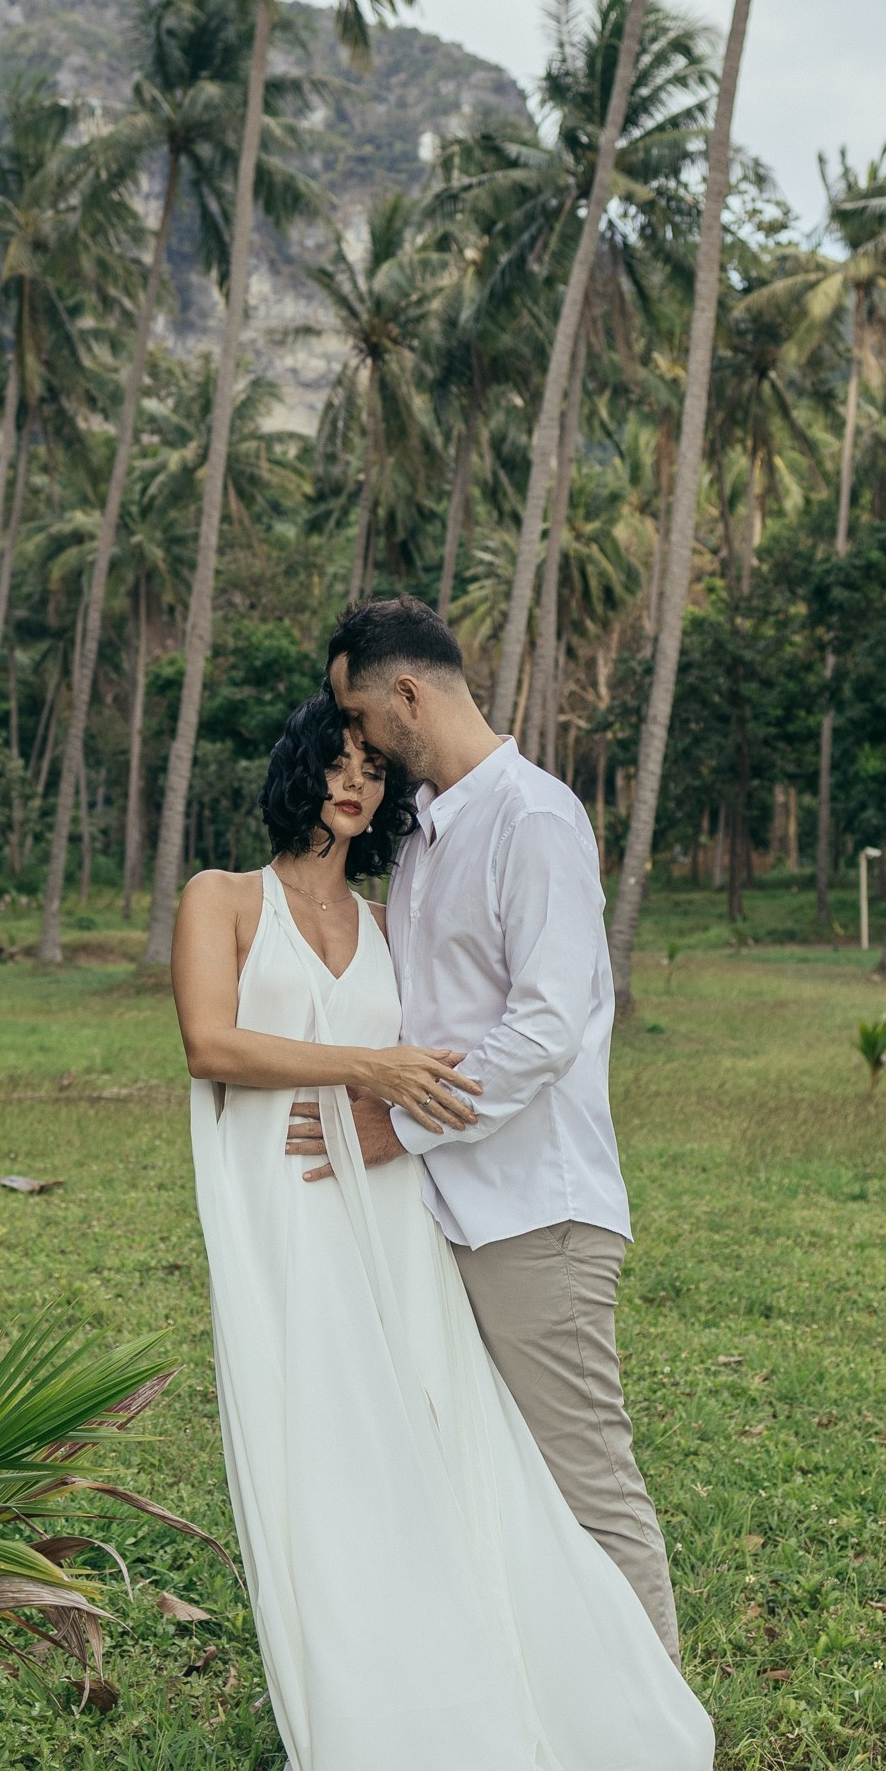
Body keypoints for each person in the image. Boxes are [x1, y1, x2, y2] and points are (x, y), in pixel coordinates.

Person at [172, 688, 712, 1771]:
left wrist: (391, 1103)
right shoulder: (218, 900)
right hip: (279, 1226)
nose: (352, 784)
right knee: (316, 1477)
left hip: (397, 1223)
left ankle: (554, 1718)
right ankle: (359, 1748)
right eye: (335, 760)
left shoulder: (387, 917)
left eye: (372, 768)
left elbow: (507, 1033)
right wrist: (370, 1066)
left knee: (445, 1468)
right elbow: (211, 1045)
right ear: (296, 769)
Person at [288, 597, 682, 1659]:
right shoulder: (425, 840)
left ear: (407, 696)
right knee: (489, 1480)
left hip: (533, 1213)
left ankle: (654, 1766)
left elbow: (545, 1025)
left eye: (361, 718)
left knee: (584, 1482)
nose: (356, 744)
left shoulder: (532, 819)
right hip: (448, 1214)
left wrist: (396, 1128)